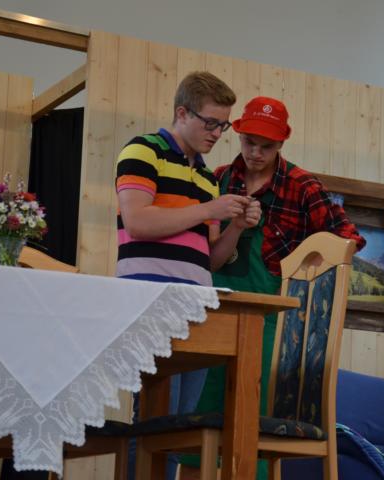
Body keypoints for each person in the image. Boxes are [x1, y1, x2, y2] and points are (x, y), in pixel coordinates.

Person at [180, 96, 365, 478]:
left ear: (281, 143)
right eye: (249, 143)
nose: (255, 153)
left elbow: (348, 238)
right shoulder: (218, 179)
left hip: (269, 325)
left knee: (253, 422)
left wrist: (306, 266)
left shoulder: (302, 187)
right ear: (239, 136)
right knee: (199, 420)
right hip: (214, 314)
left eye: (266, 146)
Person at [115, 71, 260, 480]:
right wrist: (209, 210)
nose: (217, 133)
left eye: (223, 126)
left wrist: (236, 227)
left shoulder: (206, 177)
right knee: (154, 418)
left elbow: (210, 260)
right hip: (150, 300)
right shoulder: (144, 151)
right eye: (210, 122)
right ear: (182, 113)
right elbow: (138, 221)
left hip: (196, 306)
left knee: (180, 426)